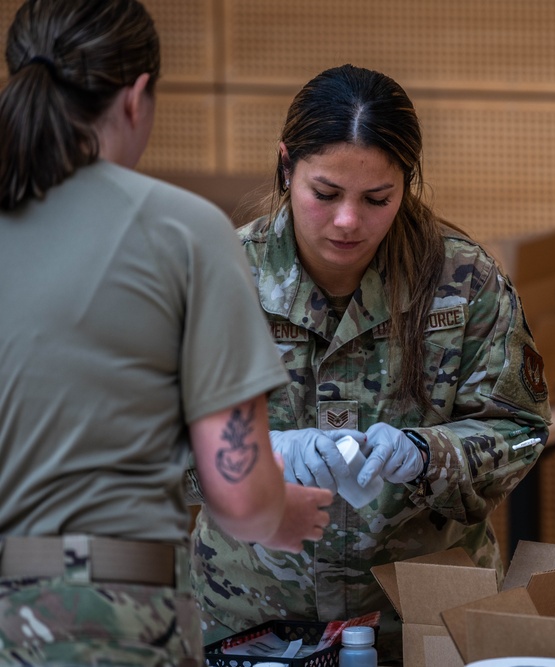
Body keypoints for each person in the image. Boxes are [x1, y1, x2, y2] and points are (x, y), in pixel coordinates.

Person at [0, 1, 333, 665]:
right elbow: (237, 492)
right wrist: (280, 512)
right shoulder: (182, 232)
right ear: (138, 96)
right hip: (103, 612)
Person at [188, 64, 552, 664]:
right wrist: (262, 458)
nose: (348, 221)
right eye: (325, 193)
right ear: (286, 166)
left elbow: (520, 430)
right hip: (253, 623)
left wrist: (429, 454)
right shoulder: (221, 278)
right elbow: (150, 450)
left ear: (407, 184)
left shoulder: (463, 282)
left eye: (377, 198)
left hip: (420, 624)